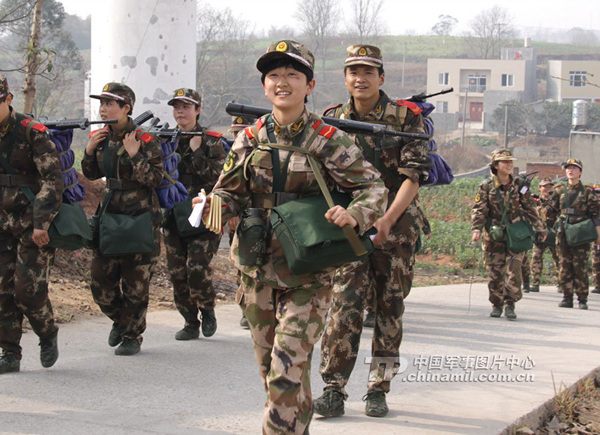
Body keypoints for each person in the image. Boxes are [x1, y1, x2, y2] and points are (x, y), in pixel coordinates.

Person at [193, 40, 387, 434]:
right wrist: (212, 205)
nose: (282, 82)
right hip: (256, 270)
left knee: (286, 371)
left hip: (307, 272)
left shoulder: (328, 139)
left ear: (309, 85)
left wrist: (353, 214)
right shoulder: (250, 138)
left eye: (292, 75)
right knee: (274, 373)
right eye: (274, 75)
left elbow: (373, 188)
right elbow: (229, 193)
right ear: (264, 86)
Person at [314, 44, 431, 419]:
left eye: (368, 72)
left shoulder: (405, 118)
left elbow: (414, 176)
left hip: (396, 226)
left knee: (388, 308)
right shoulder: (332, 119)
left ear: (381, 77)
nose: (360, 78)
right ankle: (333, 389)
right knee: (343, 305)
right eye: (353, 71)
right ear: (345, 77)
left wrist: (387, 220)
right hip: (350, 225)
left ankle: (378, 389)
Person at [82, 82, 164, 355]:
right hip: (109, 215)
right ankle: (121, 320)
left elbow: (155, 179)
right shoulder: (101, 137)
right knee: (100, 283)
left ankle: (132, 336)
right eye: (102, 104)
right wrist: (89, 151)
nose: (103, 109)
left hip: (140, 217)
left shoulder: (145, 140)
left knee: (136, 284)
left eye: (109, 104)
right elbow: (91, 174)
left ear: (126, 107)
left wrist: (135, 154)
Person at [0, 74, 63, 374]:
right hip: (1, 221)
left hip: (30, 221)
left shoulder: (31, 132)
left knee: (27, 289)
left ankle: (47, 331)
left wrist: (42, 222)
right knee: (2, 290)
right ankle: (10, 352)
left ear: (8, 99)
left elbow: (52, 180)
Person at [162, 88, 226, 340]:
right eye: (177, 107)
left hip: (203, 212)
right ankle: (190, 321)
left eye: (186, 107)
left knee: (197, 268)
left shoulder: (211, 140)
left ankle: (207, 309)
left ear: (197, 110)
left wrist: (197, 151)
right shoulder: (166, 139)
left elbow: (219, 177)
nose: (180, 112)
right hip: (173, 214)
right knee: (177, 273)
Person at [471, 149, 545, 320]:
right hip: (494, 234)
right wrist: (476, 229)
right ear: (496, 165)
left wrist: (540, 227)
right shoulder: (486, 186)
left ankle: (510, 304)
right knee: (495, 272)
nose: (509, 164)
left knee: (514, 269)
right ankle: (496, 304)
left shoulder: (520, 185)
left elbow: (529, 207)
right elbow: (480, 209)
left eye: (510, 161)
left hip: (515, 233)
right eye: (504, 161)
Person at [545, 159, 600, 309]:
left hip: (581, 233)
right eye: (568, 168)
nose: (571, 171)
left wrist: (598, 235)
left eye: (574, 168)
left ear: (580, 172)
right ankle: (567, 297)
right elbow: (551, 213)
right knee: (564, 266)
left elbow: (595, 215)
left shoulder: (587, 192)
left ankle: (582, 299)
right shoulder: (559, 191)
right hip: (564, 233)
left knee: (580, 266)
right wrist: (546, 228)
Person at [228, 115, 256, 330]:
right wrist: (231, 213)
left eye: (242, 131)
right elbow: (228, 187)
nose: (238, 135)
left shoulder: (263, 151)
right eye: (235, 132)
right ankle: (246, 308)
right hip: (238, 216)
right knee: (242, 265)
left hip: (259, 216)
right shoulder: (232, 153)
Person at [529, 177, 560, 292]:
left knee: (558, 258)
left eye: (549, 186)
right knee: (536, 257)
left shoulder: (555, 201)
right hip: (540, 231)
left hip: (553, 231)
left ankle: (560, 283)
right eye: (544, 186)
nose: (547, 189)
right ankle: (535, 282)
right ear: (540, 188)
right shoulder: (535, 200)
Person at [591, 184, 600, 295]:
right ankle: (598, 284)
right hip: (596, 238)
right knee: (596, 261)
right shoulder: (592, 208)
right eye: (596, 194)